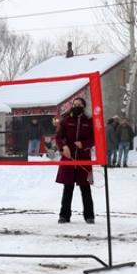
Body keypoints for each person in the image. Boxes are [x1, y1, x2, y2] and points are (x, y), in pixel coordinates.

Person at [56, 96, 96, 224]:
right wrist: (63, 147)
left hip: (84, 159)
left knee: (86, 189)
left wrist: (84, 144)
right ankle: (64, 215)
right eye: (75, 104)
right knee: (67, 188)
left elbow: (95, 139)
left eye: (79, 104)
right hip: (68, 159)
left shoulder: (89, 121)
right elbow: (58, 137)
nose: (76, 106)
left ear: (84, 107)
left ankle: (89, 216)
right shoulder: (66, 120)